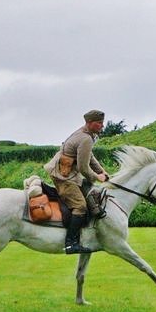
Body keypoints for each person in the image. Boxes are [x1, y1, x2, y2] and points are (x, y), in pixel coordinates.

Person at [45, 109, 110, 254]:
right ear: (90, 123)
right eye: (99, 123)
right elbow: (83, 167)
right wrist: (96, 177)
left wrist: (101, 171)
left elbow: (90, 157)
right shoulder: (85, 139)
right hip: (64, 177)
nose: (102, 126)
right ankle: (70, 243)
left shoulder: (85, 134)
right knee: (80, 206)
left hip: (64, 172)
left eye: (102, 122)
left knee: (88, 191)